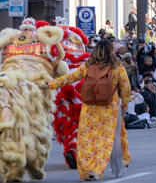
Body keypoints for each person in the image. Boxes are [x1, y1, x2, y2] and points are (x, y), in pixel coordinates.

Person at [49, 40, 132, 181]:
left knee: (88, 141)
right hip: (109, 110)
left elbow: (70, 78)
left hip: (89, 109)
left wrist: (50, 84)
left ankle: (89, 169)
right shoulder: (117, 67)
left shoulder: (88, 66)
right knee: (104, 141)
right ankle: (98, 169)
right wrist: (124, 106)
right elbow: (126, 88)